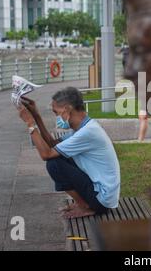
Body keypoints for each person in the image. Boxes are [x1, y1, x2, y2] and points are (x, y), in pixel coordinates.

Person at [16, 87, 120, 218]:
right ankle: (83, 203)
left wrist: (30, 124)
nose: (57, 117)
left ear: (67, 109)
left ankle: (85, 206)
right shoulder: (84, 128)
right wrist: (36, 116)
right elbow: (52, 144)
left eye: (56, 112)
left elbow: (46, 154)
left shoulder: (88, 132)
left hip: (101, 200)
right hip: (101, 194)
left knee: (54, 164)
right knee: (59, 158)